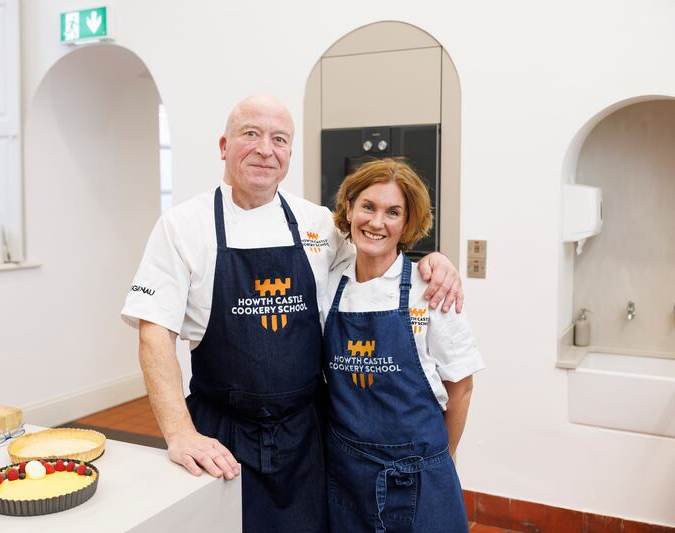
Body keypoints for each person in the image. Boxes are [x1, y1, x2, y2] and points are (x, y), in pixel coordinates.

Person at [121, 96, 464, 533]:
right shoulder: (182, 226)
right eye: (251, 134)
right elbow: (154, 333)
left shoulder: (317, 223)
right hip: (223, 435)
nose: (265, 149)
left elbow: (377, 254)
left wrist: (432, 262)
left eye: (279, 139)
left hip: (306, 435)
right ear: (224, 146)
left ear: (288, 155)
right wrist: (179, 433)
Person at [322, 158, 484, 532]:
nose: (377, 222)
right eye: (368, 207)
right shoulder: (330, 286)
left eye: (393, 212)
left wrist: (438, 460)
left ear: (407, 223)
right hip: (347, 473)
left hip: (419, 478)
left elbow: (461, 388)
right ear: (349, 209)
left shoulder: (432, 292)